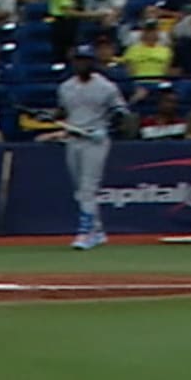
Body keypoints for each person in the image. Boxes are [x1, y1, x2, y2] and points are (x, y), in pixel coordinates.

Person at [43, 45, 129, 249]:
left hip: (95, 140)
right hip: (73, 139)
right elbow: (63, 112)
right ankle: (97, 231)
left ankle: (85, 233)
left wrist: (107, 129)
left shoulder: (106, 87)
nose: (81, 64)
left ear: (93, 62)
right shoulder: (66, 87)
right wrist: (50, 116)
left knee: (87, 188)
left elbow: (121, 113)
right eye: (78, 60)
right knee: (79, 189)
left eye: (85, 60)